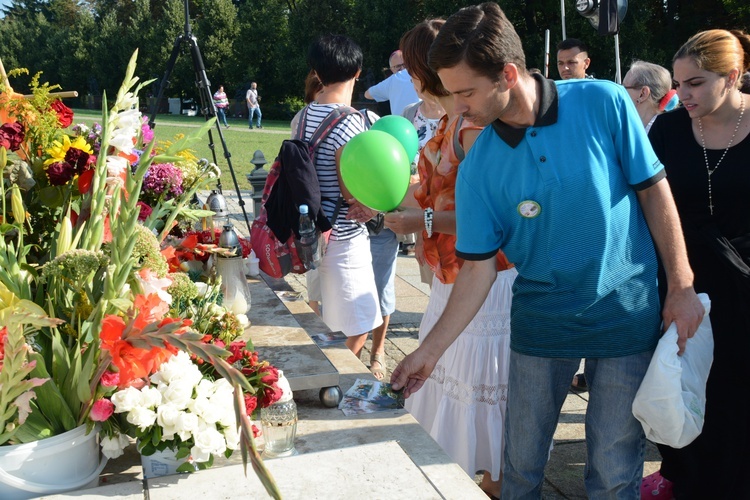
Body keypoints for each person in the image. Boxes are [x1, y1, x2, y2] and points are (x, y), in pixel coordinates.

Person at [390, 4, 704, 499]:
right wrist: (427, 353)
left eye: (466, 92)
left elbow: (654, 191)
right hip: (540, 324)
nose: (456, 106)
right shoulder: (478, 166)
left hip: (625, 316)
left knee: (614, 473)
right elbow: (478, 271)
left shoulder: (605, 102)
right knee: (519, 472)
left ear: (508, 75)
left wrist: (682, 285)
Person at [384, 18, 516, 498]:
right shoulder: (450, 121)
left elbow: (497, 218)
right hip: (451, 275)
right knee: (451, 391)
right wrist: (397, 204)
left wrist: (423, 224)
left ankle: (494, 488)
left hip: (487, 280)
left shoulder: (474, 126)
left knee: (484, 403)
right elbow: (435, 194)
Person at [644, 29, 750, 500]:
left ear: (732, 77)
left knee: (735, 389)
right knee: (686, 381)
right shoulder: (667, 128)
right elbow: (648, 204)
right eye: (679, 83)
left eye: (696, 83)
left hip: (744, 280)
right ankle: (686, 479)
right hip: (684, 278)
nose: (682, 95)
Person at [302, 34, 382, 358]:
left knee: (328, 319)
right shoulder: (352, 123)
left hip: (313, 233)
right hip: (345, 236)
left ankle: (327, 378)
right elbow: (352, 192)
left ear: (317, 73)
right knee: (359, 323)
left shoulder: (304, 117)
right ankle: (333, 382)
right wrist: (373, 205)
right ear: (358, 72)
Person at [398, 79, 445, 259]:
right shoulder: (410, 113)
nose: (413, 83)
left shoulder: (455, 114)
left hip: (448, 208)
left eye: (416, 77)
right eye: (411, 78)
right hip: (418, 203)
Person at [623, 60, 679, 132]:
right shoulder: (664, 129)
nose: (620, 92)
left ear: (643, 93)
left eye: (624, 88)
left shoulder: (662, 135)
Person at [364, 50, 419, 116]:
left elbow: (367, 94)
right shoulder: (420, 74)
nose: (402, 69)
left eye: (405, 65)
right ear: (391, 69)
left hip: (399, 124)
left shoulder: (393, 80)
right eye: (398, 66)